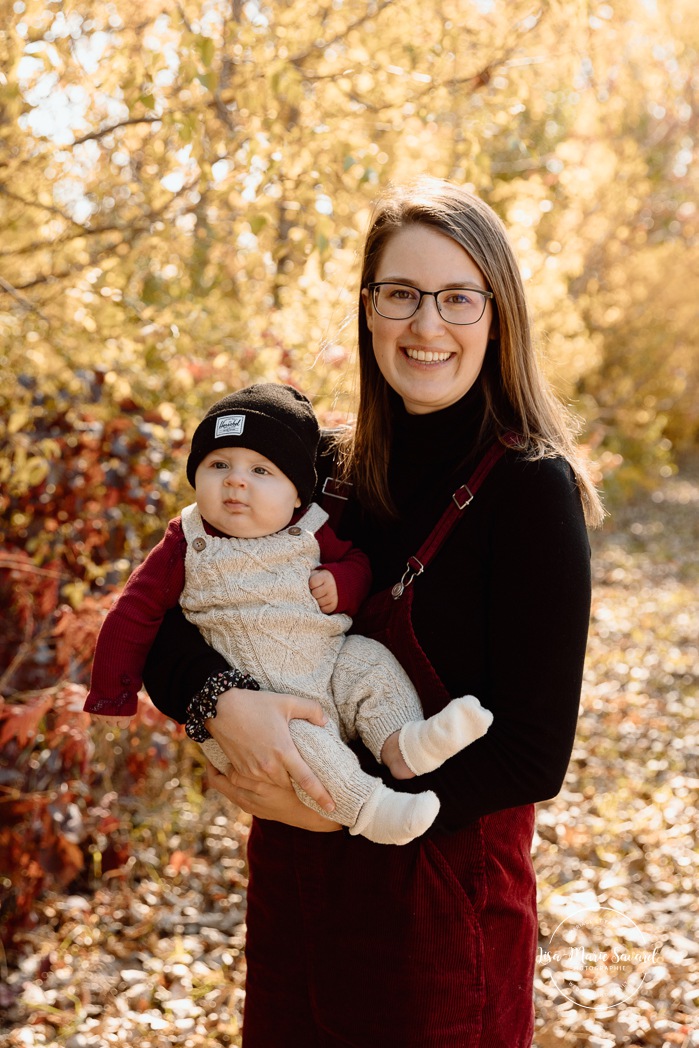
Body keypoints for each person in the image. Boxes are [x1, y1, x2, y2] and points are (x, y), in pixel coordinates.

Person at [142, 177, 603, 1047]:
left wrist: (345, 805)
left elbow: (533, 755)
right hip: (295, 892)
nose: (426, 326)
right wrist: (220, 702)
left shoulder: (530, 490)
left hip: (439, 907)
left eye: (458, 297)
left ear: (497, 316)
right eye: (401, 294)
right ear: (367, 309)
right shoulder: (312, 468)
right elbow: (164, 611)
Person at [84, 382, 493, 845]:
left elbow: (358, 562)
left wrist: (343, 584)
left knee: (368, 661)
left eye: (261, 470)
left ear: (297, 496)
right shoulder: (185, 542)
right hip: (263, 705)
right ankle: (371, 809)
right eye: (219, 465)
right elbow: (134, 611)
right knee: (304, 739)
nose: (236, 480)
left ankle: (403, 743)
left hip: (328, 664)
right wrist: (111, 693)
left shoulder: (312, 528)